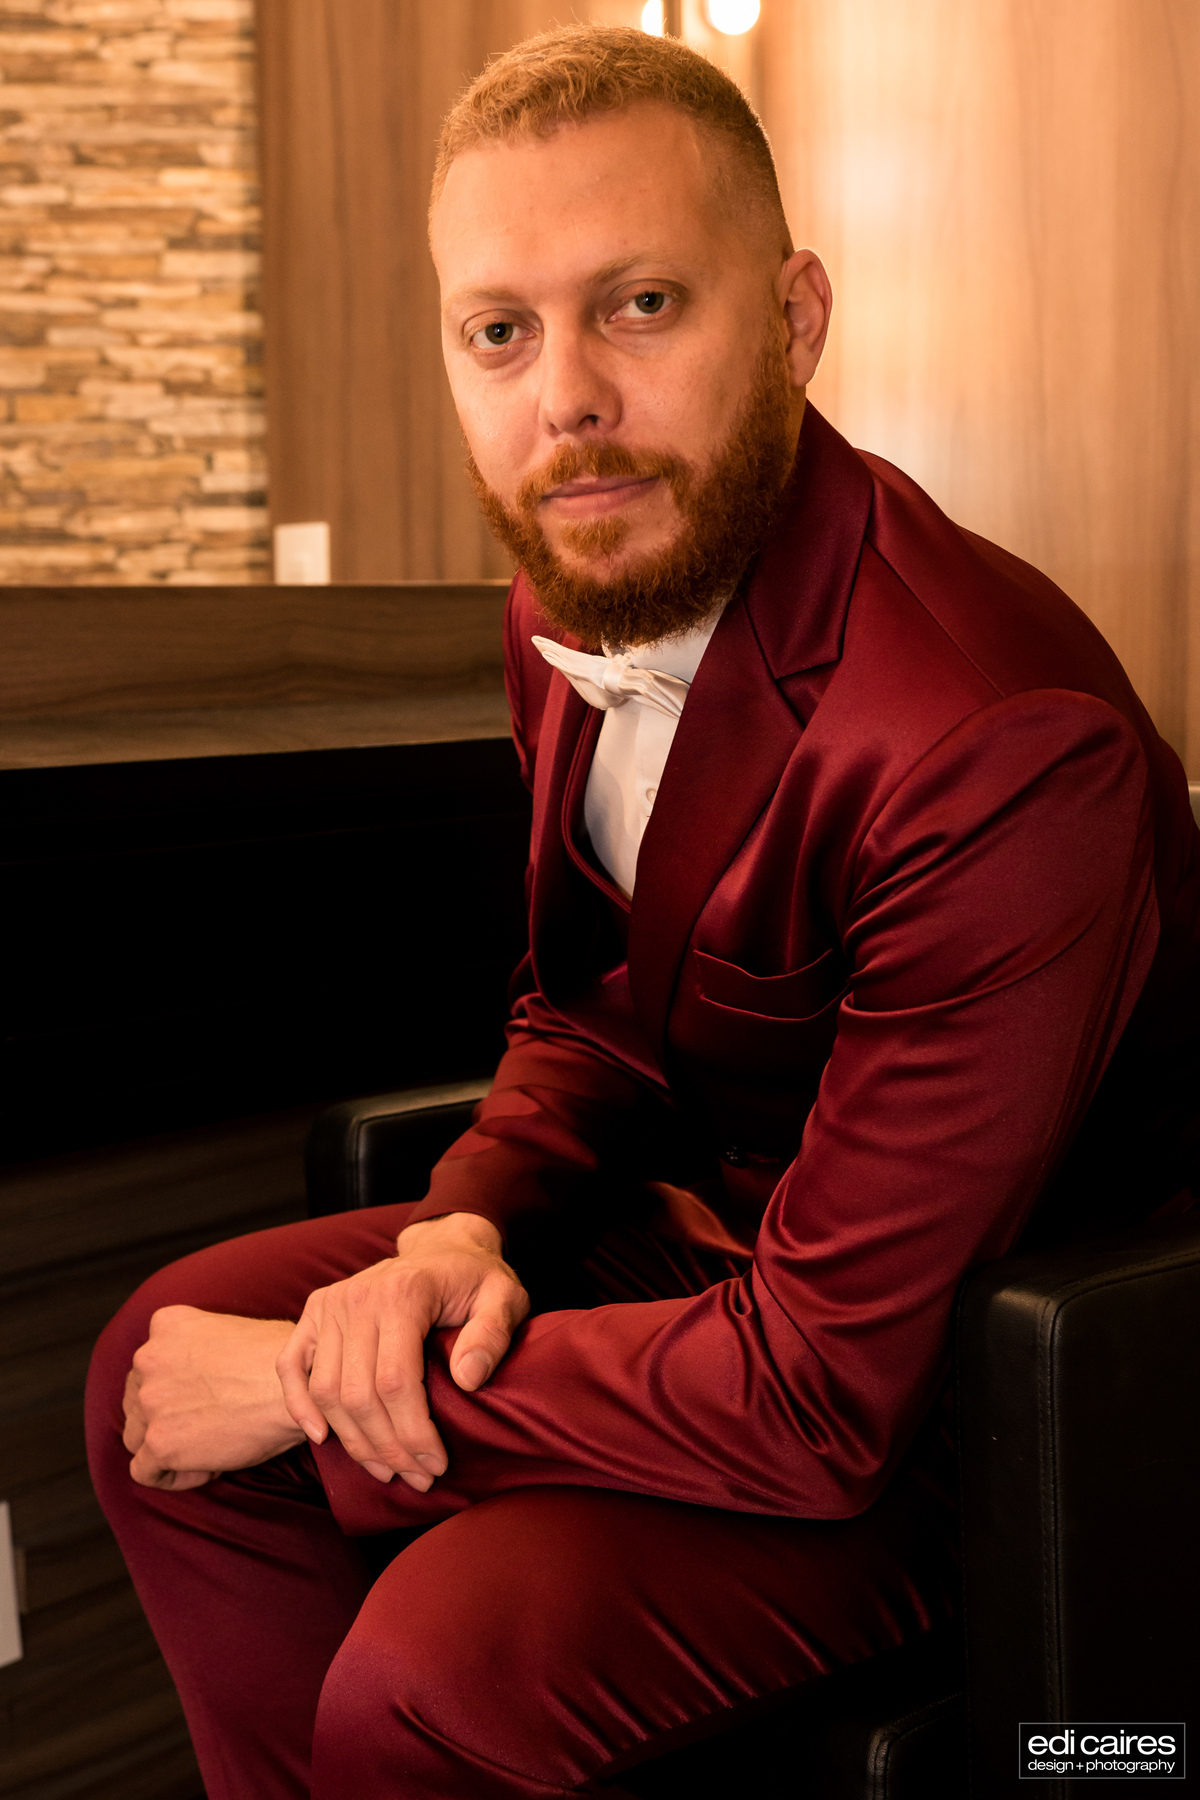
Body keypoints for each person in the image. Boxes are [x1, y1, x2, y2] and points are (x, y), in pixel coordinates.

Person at [86, 25, 1200, 1800]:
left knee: (426, 1677)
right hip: (712, 1264)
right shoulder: (575, 592)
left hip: (981, 1387)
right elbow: (587, 1014)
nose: (568, 401)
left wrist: (315, 1384)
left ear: (796, 320)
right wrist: (457, 1234)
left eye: (644, 305)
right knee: (144, 1381)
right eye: (500, 331)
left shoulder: (996, 738)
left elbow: (831, 1391)